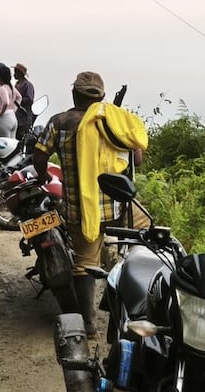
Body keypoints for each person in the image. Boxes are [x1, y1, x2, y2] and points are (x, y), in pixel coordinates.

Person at [33, 71, 148, 339]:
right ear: (102, 96)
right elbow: (138, 159)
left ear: (74, 94)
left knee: (84, 264)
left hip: (82, 211)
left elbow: (39, 155)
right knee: (146, 240)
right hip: (119, 207)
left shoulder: (59, 122)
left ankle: (89, 325)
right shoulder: (115, 118)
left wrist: (42, 175)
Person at [0, 63, 21, 139]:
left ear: (0, 77)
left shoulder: (2, 88)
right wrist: (14, 109)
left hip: (4, 119)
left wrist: (1, 112)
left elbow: (6, 102)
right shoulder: (11, 87)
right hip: (13, 117)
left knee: (4, 144)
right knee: (12, 144)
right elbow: (19, 97)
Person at [13, 62, 36, 135]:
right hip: (16, 117)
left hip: (24, 118)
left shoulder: (27, 85)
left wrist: (18, 100)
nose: (14, 74)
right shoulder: (16, 85)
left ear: (20, 73)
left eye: (16, 72)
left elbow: (30, 99)